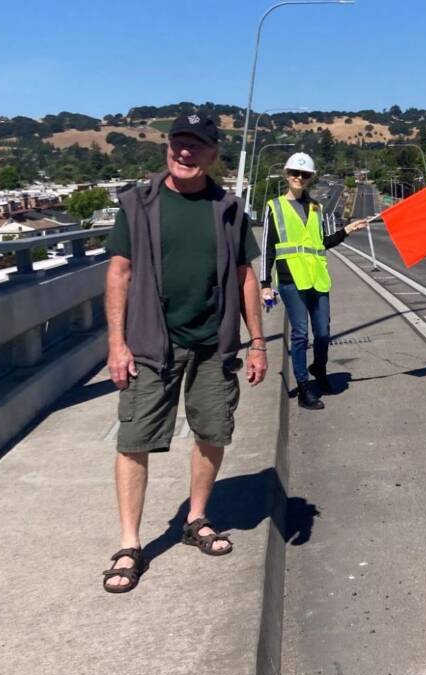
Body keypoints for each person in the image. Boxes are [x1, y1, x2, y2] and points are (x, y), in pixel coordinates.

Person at [100, 111, 268, 593]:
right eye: (178, 143)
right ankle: (130, 544)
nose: (185, 152)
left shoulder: (229, 208)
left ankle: (196, 519)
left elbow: (245, 277)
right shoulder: (139, 203)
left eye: (196, 145)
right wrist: (117, 342)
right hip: (151, 344)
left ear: (213, 154)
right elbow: (119, 273)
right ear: (167, 147)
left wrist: (257, 342)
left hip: (213, 343)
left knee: (212, 430)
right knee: (134, 440)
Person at [259, 152, 369, 410]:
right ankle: (304, 387)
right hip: (290, 279)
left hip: (317, 278)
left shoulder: (316, 208)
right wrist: (265, 284)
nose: (299, 177)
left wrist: (347, 231)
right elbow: (268, 248)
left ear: (310, 178)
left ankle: (319, 368)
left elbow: (320, 243)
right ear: (286, 175)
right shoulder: (274, 206)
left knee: (322, 333)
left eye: (305, 174)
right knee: (300, 334)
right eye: (295, 173)